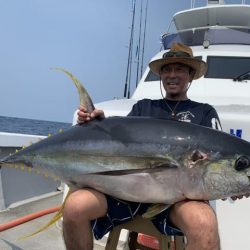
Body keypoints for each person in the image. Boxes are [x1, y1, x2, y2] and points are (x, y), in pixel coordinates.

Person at [63, 43, 222, 250]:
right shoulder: (143, 107)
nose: (172, 75)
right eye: (167, 69)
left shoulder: (204, 113)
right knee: (75, 207)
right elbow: (120, 141)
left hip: (176, 201)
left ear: (191, 75)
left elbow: (220, 164)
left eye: (180, 69)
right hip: (125, 195)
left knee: (204, 223)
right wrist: (100, 123)